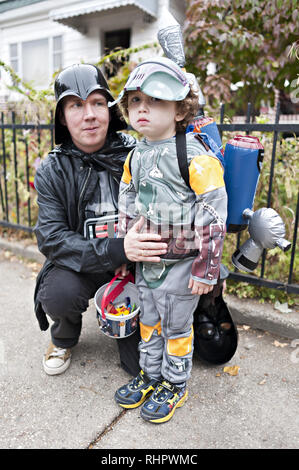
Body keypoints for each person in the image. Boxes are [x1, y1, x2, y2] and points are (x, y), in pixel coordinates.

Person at [111, 57, 228, 423]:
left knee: (177, 324)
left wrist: (206, 268)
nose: (142, 108)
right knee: (149, 320)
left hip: (182, 264)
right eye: (135, 101)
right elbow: (127, 203)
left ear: (180, 109)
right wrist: (124, 250)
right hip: (149, 261)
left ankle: (175, 382)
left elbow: (213, 212)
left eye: (156, 100)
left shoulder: (194, 156)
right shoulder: (136, 156)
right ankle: (150, 374)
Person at [33, 63, 168, 377]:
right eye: (76, 106)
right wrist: (118, 250)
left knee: (139, 368)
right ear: (63, 118)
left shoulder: (139, 154)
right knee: (58, 294)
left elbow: (167, 210)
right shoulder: (52, 170)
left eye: (96, 102)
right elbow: (51, 238)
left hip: (137, 264)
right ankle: (62, 337)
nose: (89, 114)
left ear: (109, 109)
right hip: (83, 265)